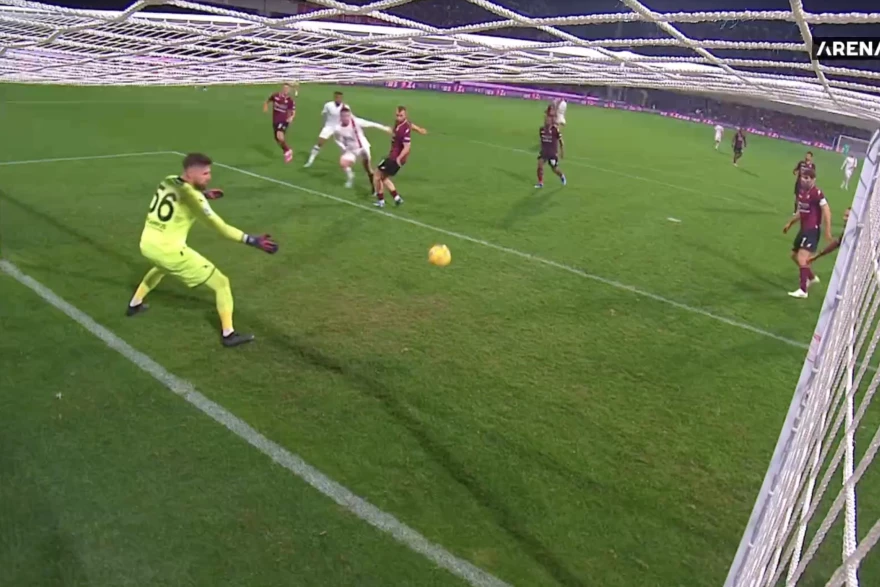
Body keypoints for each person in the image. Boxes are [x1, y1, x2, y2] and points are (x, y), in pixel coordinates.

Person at [128, 153, 279, 346]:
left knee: (161, 268)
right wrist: (252, 240)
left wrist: (204, 195)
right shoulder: (194, 198)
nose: (209, 177)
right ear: (191, 173)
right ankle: (228, 334)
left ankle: (135, 304)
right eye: (205, 173)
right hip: (170, 251)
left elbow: (180, 196)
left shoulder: (168, 180)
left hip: (148, 244)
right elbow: (221, 227)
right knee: (222, 283)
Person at [783, 169, 832, 299]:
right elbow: (801, 212)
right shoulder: (802, 193)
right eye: (803, 177)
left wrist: (827, 230)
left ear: (813, 179)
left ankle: (803, 290)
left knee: (802, 258)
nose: (804, 180)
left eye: (807, 178)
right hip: (803, 229)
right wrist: (790, 223)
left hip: (812, 230)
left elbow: (826, 210)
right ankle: (811, 277)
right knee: (794, 256)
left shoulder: (817, 193)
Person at [332, 107, 391, 189]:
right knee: (343, 163)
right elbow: (337, 139)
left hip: (363, 148)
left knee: (368, 169)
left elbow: (370, 124)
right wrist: (343, 146)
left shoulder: (356, 122)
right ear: (340, 117)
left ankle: (374, 187)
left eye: (347, 116)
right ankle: (350, 177)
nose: (345, 118)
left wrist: (384, 128)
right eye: (343, 116)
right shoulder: (338, 128)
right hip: (351, 150)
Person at [374, 106, 413, 208]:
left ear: (406, 116)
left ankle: (381, 201)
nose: (398, 117)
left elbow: (407, 147)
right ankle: (397, 198)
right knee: (384, 178)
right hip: (394, 156)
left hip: (394, 158)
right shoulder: (400, 124)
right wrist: (419, 130)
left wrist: (398, 159)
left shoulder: (404, 129)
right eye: (397, 115)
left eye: (401, 116)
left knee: (377, 176)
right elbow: (411, 125)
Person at [304, 91, 348, 168]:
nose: (338, 99)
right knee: (320, 143)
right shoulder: (328, 105)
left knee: (344, 146)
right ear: (334, 98)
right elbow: (324, 114)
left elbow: (348, 118)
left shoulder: (345, 107)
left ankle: (346, 163)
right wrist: (325, 124)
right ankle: (310, 161)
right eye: (337, 97)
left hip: (339, 128)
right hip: (329, 126)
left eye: (340, 98)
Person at [262, 83, 297, 163]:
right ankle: (286, 151)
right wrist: (266, 106)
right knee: (277, 139)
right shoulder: (275, 95)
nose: (286, 90)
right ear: (282, 88)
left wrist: (291, 117)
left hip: (284, 120)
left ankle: (288, 150)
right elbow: (268, 100)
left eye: (287, 89)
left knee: (279, 136)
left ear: (289, 90)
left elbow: (293, 111)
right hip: (275, 120)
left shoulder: (290, 101)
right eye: (285, 88)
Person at [536, 114, 566, 188]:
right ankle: (540, 183)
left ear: (551, 121)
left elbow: (561, 141)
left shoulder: (555, 130)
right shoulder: (542, 129)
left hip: (552, 153)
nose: (546, 121)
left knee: (554, 169)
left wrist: (562, 152)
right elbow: (542, 140)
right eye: (545, 119)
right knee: (539, 166)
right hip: (544, 152)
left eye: (548, 120)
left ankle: (561, 175)